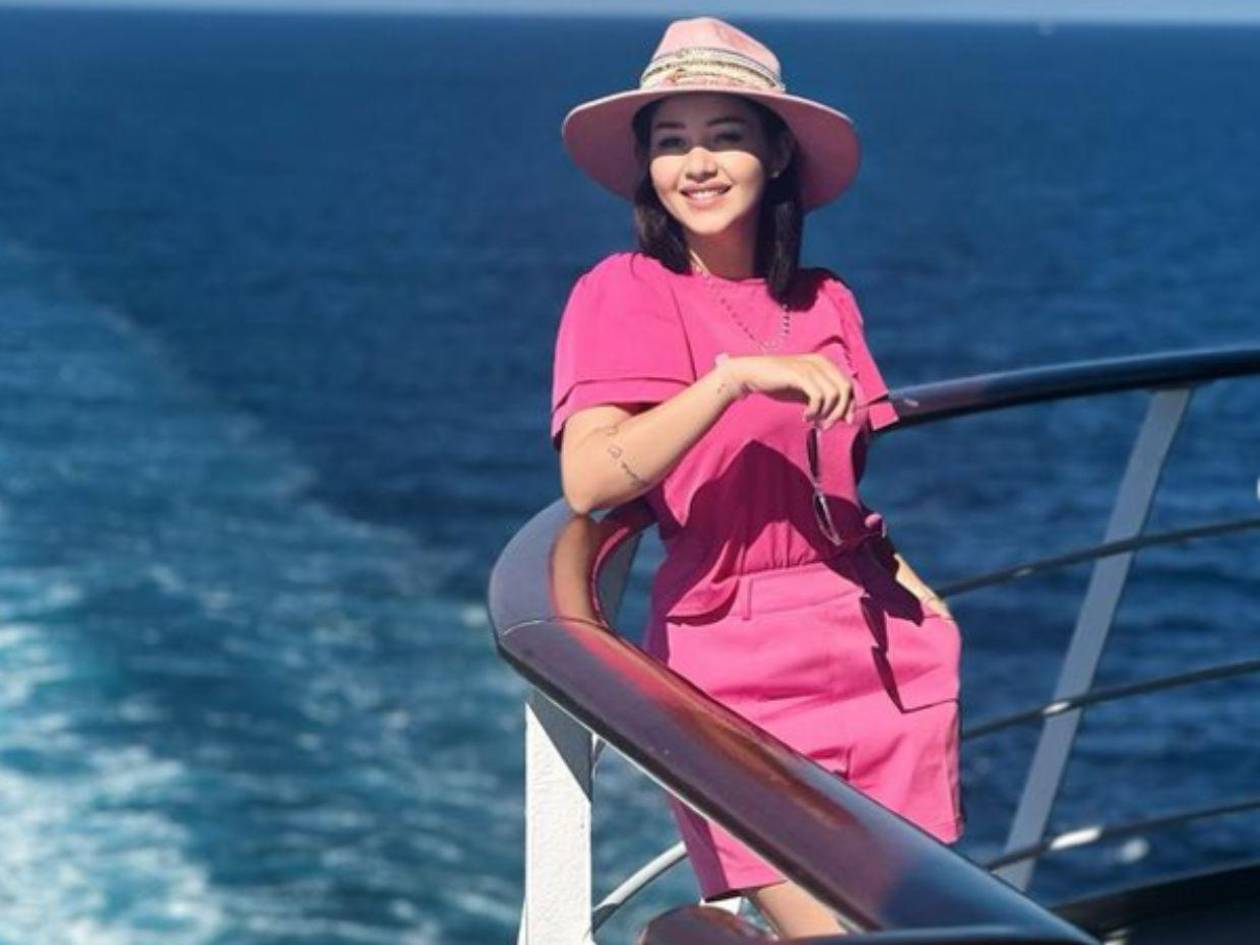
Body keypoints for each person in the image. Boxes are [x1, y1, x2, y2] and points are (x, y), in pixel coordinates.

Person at [549, 17, 965, 938]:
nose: (696, 164)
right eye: (671, 141)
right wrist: (731, 380)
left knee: (916, 929)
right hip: (731, 662)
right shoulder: (624, 290)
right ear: (647, 167)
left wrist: (916, 593)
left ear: (776, 155)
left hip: (877, 646)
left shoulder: (826, 300)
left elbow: (840, 483)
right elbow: (588, 480)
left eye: (724, 135)